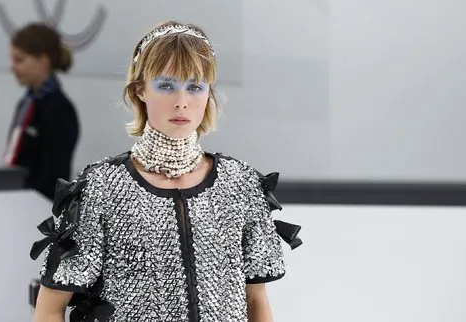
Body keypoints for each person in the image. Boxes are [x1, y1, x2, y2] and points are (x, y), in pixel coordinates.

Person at [29, 20, 302, 322]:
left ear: (208, 94)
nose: (181, 102)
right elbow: (50, 307)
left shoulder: (240, 185)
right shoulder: (100, 187)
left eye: (195, 87)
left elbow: (257, 302)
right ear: (140, 90)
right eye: (166, 85)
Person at [3, 22, 80, 201]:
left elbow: (53, 175)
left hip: (39, 207)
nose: (13, 67)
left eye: (19, 60)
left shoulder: (60, 110)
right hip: (14, 199)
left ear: (43, 60)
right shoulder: (26, 104)